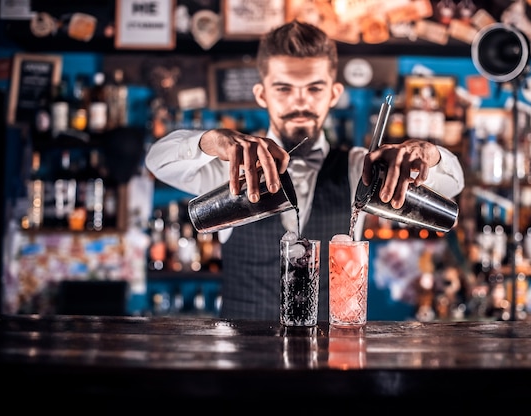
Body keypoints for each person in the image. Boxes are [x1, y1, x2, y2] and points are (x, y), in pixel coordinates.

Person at [145, 20, 465, 321]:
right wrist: (208, 141)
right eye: (284, 88)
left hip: (332, 363)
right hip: (244, 364)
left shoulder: (359, 168)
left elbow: (452, 185)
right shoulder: (232, 168)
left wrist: (429, 155)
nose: (300, 102)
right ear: (262, 94)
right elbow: (157, 161)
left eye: (314, 88)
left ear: (334, 94)